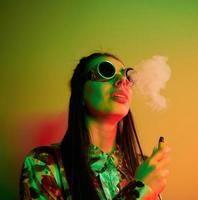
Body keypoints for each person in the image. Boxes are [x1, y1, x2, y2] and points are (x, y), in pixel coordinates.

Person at [19, 53, 171, 200]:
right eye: (106, 71)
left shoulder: (141, 166)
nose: (122, 80)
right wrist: (140, 190)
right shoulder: (43, 163)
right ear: (81, 93)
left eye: (127, 76)